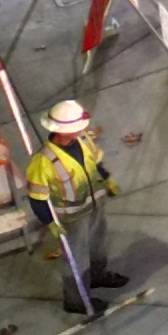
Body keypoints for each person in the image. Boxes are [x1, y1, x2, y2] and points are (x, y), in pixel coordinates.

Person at [28, 100, 124, 307]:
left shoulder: (84, 140)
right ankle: (76, 301)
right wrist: (49, 222)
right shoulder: (44, 161)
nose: (83, 129)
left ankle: (98, 275)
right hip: (71, 218)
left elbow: (96, 163)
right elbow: (37, 197)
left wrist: (106, 178)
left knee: (99, 244)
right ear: (61, 131)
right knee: (75, 258)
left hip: (95, 206)